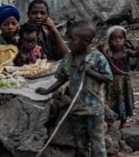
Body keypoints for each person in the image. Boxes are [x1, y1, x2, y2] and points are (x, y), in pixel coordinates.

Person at [37, 21, 113, 157]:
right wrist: (47, 90)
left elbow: (108, 78)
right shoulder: (68, 58)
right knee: (81, 144)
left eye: (72, 39)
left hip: (94, 110)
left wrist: (91, 72)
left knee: (98, 144)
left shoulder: (97, 58)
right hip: (76, 110)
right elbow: (62, 78)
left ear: (86, 41)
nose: (69, 43)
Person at [101, 26, 135, 129]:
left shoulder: (126, 52)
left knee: (123, 100)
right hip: (111, 82)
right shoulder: (107, 53)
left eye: (120, 38)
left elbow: (136, 54)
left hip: (124, 82)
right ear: (109, 41)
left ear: (125, 40)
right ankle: (110, 121)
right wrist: (101, 50)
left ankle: (123, 121)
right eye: (114, 39)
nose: (117, 41)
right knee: (111, 101)